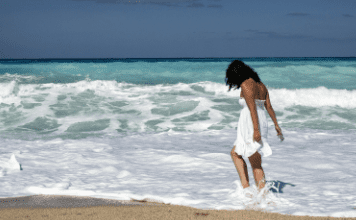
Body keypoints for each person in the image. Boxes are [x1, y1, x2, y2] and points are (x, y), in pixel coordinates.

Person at [225, 60, 283, 193]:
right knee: (252, 159)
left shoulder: (246, 84)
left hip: (252, 124)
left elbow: (252, 109)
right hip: (261, 122)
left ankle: (249, 191)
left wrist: (256, 131)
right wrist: (276, 125)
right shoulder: (261, 85)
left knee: (240, 155)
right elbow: (269, 107)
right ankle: (261, 194)